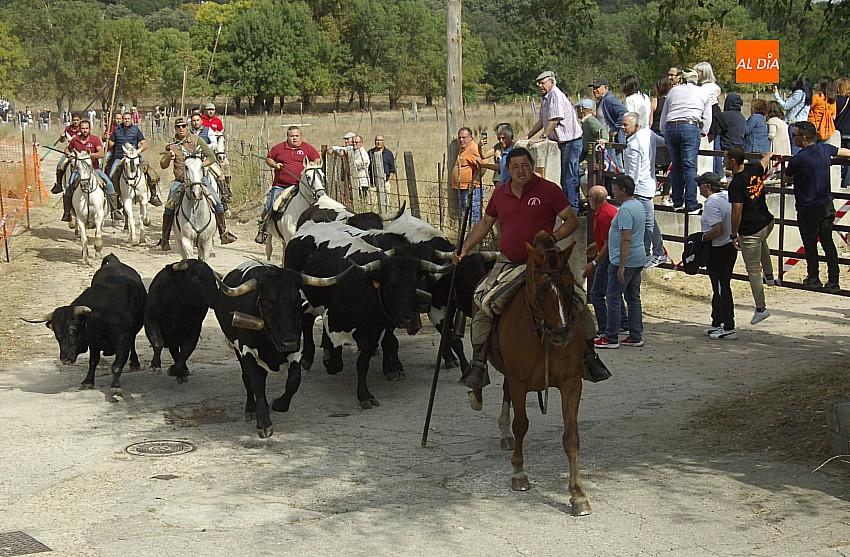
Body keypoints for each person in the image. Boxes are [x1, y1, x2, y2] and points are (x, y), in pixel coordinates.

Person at [453, 147, 610, 390]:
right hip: (509, 260)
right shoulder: (500, 193)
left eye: (525, 165)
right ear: (508, 170)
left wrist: (552, 238)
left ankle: (590, 356)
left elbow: (571, 220)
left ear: (532, 165)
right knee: (482, 300)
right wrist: (464, 249)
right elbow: (485, 223)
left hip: (546, 262)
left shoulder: (549, 190)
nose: (520, 171)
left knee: (577, 299)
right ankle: (479, 363)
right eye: (515, 167)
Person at [785, 121, 850, 293]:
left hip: (807, 207)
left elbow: (786, 177)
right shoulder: (825, 150)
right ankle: (834, 280)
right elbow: (844, 152)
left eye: (795, 135)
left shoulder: (798, 159)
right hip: (826, 205)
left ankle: (813, 277)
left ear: (804, 139)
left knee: (810, 244)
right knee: (828, 243)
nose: (793, 139)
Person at [154, 117, 236, 251]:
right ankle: (164, 239)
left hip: (199, 180)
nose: (181, 128)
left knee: (217, 202)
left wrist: (199, 166)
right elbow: (163, 165)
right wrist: (169, 156)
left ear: (187, 127)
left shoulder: (197, 140)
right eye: (178, 126)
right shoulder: (172, 145)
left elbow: (211, 157)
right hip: (181, 180)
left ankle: (223, 233)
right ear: (175, 128)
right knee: (169, 205)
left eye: (183, 126)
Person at [726, 146, 776, 325]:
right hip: (767, 221)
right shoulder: (753, 168)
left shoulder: (736, 183)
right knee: (763, 243)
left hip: (750, 228)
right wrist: (769, 154)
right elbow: (764, 161)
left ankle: (761, 308)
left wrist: (733, 234)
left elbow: (736, 211)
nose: (723, 161)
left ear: (733, 161)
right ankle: (769, 276)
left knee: (753, 270)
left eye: (725, 158)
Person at [594, 175, 646, 349]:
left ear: (623, 189)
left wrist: (621, 265)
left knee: (614, 298)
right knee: (633, 297)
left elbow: (626, 238)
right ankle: (635, 334)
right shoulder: (638, 205)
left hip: (624, 259)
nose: (613, 192)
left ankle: (611, 337)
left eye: (615, 189)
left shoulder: (625, 210)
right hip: (638, 257)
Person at [524, 71, 583, 214]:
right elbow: (542, 120)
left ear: (552, 82)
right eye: (539, 83)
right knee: (567, 176)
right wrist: (528, 135)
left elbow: (555, 118)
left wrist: (544, 136)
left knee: (569, 177)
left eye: (543, 83)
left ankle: (573, 210)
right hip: (564, 141)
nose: (540, 86)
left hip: (571, 140)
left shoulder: (555, 95)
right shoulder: (546, 98)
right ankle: (572, 207)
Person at [659, 68, 712, 213]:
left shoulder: (673, 92)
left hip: (671, 126)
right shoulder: (703, 92)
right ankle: (691, 203)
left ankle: (677, 202)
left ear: (682, 79)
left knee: (676, 166)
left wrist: (664, 132)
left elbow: (664, 115)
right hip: (690, 126)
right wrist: (702, 132)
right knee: (689, 166)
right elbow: (707, 117)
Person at [257, 126, 322, 244]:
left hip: (300, 185)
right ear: (287, 137)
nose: (294, 138)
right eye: (292, 136)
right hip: (280, 185)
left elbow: (317, 158)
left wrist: (314, 163)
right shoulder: (279, 148)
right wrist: (275, 165)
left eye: (297, 136)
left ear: (300, 136)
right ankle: (264, 229)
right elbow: (269, 159)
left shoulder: (307, 148)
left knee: (315, 203)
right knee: (270, 205)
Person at [620, 112, 668, 267]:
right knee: (645, 221)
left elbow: (633, 173)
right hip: (649, 184)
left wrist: (628, 191)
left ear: (636, 125)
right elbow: (664, 142)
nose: (623, 128)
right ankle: (646, 251)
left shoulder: (633, 144)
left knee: (648, 222)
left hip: (639, 188)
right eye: (623, 124)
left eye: (626, 125)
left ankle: (659, 253)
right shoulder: (648, 133)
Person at [581, 185, 628, 339]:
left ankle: (604, 327)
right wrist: (596, 244)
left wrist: (594, 263)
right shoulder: (608, 211)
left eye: (589, 197)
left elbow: (609, 243)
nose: (588, 200)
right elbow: (608, 237)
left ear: (595, 199)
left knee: (596, 294)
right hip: (611, 254)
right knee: (613, 291)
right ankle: (622, 322)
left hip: (608, 257)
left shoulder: (603, 216)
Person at [696, 172, 737, 340]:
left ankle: (729, 326)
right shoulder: (726, 197)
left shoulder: (712, 204)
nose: (698, 188)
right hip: (728, 247)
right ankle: (716, 322)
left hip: (718, 249)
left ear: (707, 187)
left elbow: (717, 230)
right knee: (718, 287)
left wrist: (700, 239)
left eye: (700, 185)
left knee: (721, 287)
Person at [61, 120, 120, 222]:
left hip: (94, 169)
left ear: (89, 129)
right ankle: (67, 212)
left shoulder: (95, 139)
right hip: (78, 170)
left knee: (109, 184)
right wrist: (68, 153)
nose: (85, 130)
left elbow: (101, 154)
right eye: (83, 128)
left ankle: (114, 210)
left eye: (86, 128)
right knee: (68, 186)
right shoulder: (75, 140)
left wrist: (88, 155)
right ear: (80, 129)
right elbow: (67, 149)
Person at [108, 111, 161, 206]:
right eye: (125, 119)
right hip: (120, 157)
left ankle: (153, 195)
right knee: (112, 175)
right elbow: (110, 144)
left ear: (131, 119)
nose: (127, 120)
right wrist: (107, 138)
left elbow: (145, 144)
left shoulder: (136, 130)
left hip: (134, 156)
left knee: (149, 171)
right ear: (122, 120)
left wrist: (138, 151)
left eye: (128, 119)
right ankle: (116, 198)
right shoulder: (117, 130)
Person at [694, 61, 725, 174]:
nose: (696, 74)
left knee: (709, 149)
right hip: (716, 117)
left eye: (698, 71)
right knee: (716, 148)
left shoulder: (704, 88)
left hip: (709, 117)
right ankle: (719, 173)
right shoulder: (715, 87)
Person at [451, 127, 483, 224]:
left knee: (474, 214)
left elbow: (483, 164)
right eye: (459, 137)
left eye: (464, 137)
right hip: (463, 188)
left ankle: (475, 235)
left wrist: (476, 180)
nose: (461, 140)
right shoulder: (463, 148)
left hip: (472, 189)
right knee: (465, 214)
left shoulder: (473, 148)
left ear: (471, 137)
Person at [775, 77, 810, 153]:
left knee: (794, 149)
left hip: (795, 123)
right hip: (802, 123)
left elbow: (786, 106)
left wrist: (776, 95)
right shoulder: (807, 94)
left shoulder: (799, 93)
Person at [52, 113, 82, 194]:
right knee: (60, 165)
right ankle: (59, 185)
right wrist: (62, 136)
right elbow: (62, 141)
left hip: (81, 152)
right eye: (74, 120)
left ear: (80, 120)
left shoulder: (83, 128)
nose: (75, 122)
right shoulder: (68, 128)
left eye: (77, 120)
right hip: (70, 151)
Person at [808, 76, 837, 142]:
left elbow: (808, 108)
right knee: (824, 149)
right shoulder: (833, 100)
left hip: (814, 125)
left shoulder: (817, 97)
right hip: (826, 128)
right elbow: (833, 116)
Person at [834, 77, 850, 188]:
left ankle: (837, 181)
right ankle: (846, 183)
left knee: (837, 157)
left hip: (838, 132)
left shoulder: (835, 100)